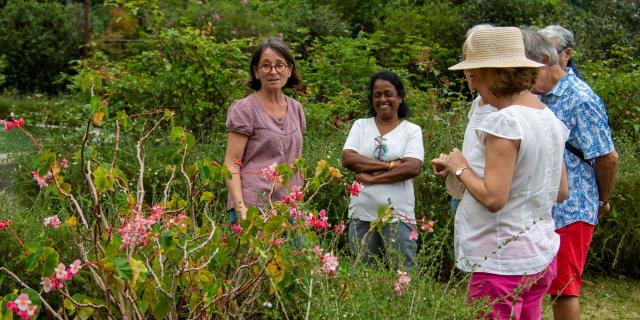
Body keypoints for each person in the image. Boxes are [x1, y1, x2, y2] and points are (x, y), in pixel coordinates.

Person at [432, 27, 569, 319]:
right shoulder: (548, 118)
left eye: (476, 77)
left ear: (493, 74)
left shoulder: (505, 121)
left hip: (501, 263)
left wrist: (460, 166)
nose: (475, 86)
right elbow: (560, 191)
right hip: (539, 256)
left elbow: (494, 197)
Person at [522, 28, 619, 320]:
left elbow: (608, 158)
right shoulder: (535, 97)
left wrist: (602, 200)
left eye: (527, 71)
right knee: (535, 283)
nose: (523, 80)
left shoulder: (581, 99)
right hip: (540, 206)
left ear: (544, 62)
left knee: (564, 288)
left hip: (572, 209)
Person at [342, 70, 424, 270]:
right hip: (361, 214)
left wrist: (372, 179)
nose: (382, 99)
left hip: (398, 215)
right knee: (362, 277)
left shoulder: (411, 130)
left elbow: (413, 167)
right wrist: (391, 164)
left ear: (400, 97)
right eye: (377, 95)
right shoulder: (360, 126)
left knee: (403, 274)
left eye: (388, 93)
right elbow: (348, 158)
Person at [223, 37, 305, 223]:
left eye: (280, 65)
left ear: (290, 70)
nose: (273, 71)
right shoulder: (245, 109)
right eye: (266, 66)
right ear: (256, 72)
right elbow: (231, 164)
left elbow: (296, 161)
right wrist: (240, 208)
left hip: (288, 207)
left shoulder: (296, 108)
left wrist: (300, 202)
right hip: (253, 208)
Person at [439, 24, 497, 216]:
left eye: (475, 59)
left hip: (486, 210)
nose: (468, 68)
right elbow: (477, 155)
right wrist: (451, 165)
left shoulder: (505, 110)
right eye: (466, 59)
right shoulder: (478, 102)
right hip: (465, 197)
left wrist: (460, 169)